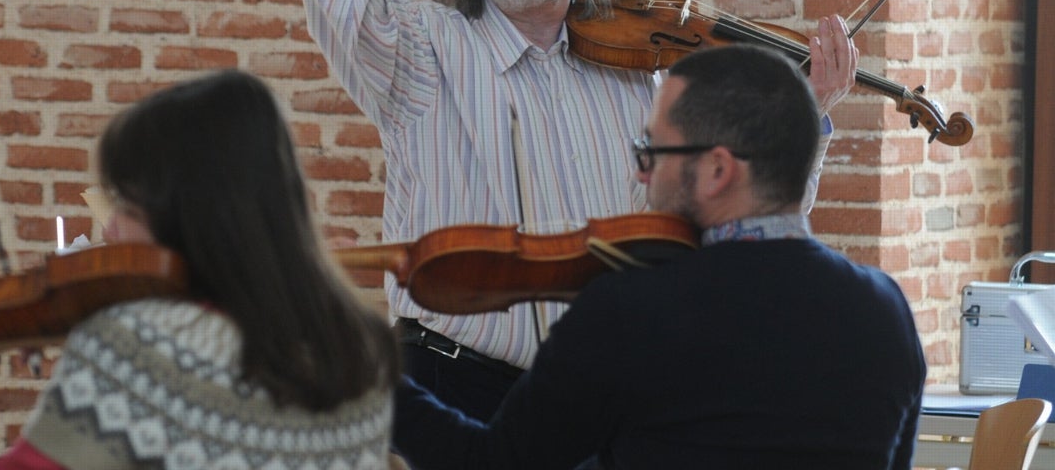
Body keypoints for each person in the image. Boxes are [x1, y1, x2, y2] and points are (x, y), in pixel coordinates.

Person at [291, 0, 860, 427]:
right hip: (452, 387)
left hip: (607, 396)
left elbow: (731, 229)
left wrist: (804, 120)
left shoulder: (646, 81)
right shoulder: (418, 51)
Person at [0, 69, 400, 469]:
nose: (110, 230)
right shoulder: (360, 351)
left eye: (125, 205)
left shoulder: (140, 351)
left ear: (192, 217)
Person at [391, 44, 927, 469]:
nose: (639, 174)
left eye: (653, 152)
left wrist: (366, 378)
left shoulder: (630, 310)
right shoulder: (886, 310)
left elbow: (493, 463)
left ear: (718, 171)